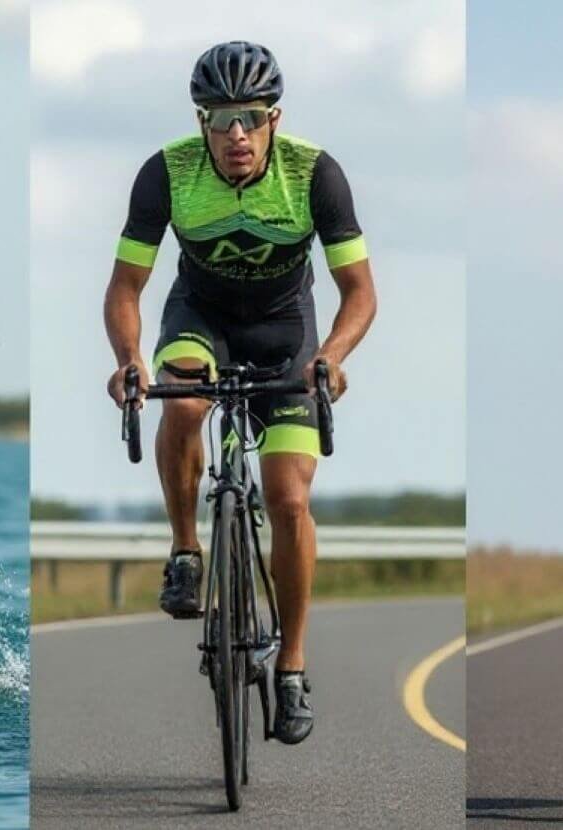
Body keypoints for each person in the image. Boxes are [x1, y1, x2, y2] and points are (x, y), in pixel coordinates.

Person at [103, 41, 377, 745]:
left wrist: (332, 357)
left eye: (249, 119)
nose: (235, 136)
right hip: (200, 319)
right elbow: (127, 287)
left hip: (288, 334)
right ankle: (188, 549)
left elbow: (359, 292)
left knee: (288, 497)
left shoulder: (315, 174)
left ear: (273, 117)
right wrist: (130, 358)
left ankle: (290, 667)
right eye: (219, 119)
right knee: (186, 398)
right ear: (201, 121)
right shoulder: (166, 173)